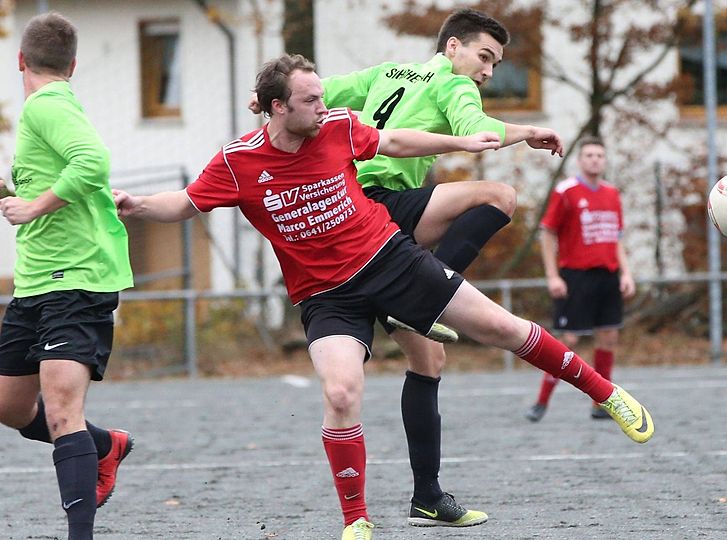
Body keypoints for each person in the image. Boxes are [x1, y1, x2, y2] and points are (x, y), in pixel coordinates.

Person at [116, 54, 653, 540]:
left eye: (324, 97)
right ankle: (356, 521)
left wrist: (463, 142)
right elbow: (184, 203)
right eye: (311, 100)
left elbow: (397, 140)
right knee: (342, 393)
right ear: (277, 109)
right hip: (326, 296)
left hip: (391, 260)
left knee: (503, 329)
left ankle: (606, 392)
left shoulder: (339, 127)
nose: (325, 107)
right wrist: (136, 205)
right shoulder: (238, 162)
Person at [317, 8, 567, 528]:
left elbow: (321, 90)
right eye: (484, 56)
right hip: (379, 208)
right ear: (452, 47)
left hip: (343, 207)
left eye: (496, 63)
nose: (488, 72)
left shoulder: (386, 72)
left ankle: (426, 497)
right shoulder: (454, 85)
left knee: (428, 359)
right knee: (500, 196)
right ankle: (432, 297)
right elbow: (478, 130)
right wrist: (528, 130)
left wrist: (265, 96)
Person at [0, 12, 135, 540]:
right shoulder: (50, 107)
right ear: (72, 64)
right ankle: (105, 445)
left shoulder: (45, 106)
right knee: (10, 405)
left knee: (60, 409)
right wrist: (22, 200)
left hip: (76, 277)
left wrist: (34, 208)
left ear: (20, 60)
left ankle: (80, 533)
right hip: (36, 281)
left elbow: (93, 161)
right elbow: (46, 181)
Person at [525, 137, 636, 422]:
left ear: (605, 160)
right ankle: (541, 402)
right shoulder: (566, 192)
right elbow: (548, 233)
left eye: (600, 155)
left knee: (609, 336)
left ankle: (602, 404)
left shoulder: (612, 193)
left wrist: (626, 273)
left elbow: (616, 238)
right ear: (580, 160)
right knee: (568, 340)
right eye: (589, 155)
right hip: (576, 276)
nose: (595, 159)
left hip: (608, 276)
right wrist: (553, 275)